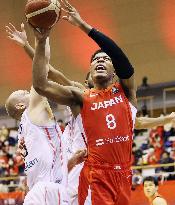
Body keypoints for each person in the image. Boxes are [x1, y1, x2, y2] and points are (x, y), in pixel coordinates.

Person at [6, 21, 175, 205]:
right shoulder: (82, 96)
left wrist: (165, 118)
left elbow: (136, 121)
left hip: (99, 167)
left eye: (104, 60)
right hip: (80, 167)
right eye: (94, 62)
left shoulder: (120, 99)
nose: (99, 63)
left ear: (113, 75)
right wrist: (31, 45)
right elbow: (48, 74)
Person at [5, 39, 87, 205]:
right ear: (21, 105)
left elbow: (44, 162)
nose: (28, 91)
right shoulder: (32, 111)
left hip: (39, 191)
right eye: (23, 92)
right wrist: (42, 35)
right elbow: (43, 70)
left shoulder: (24, 130)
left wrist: (69, 162)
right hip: (47, 192)